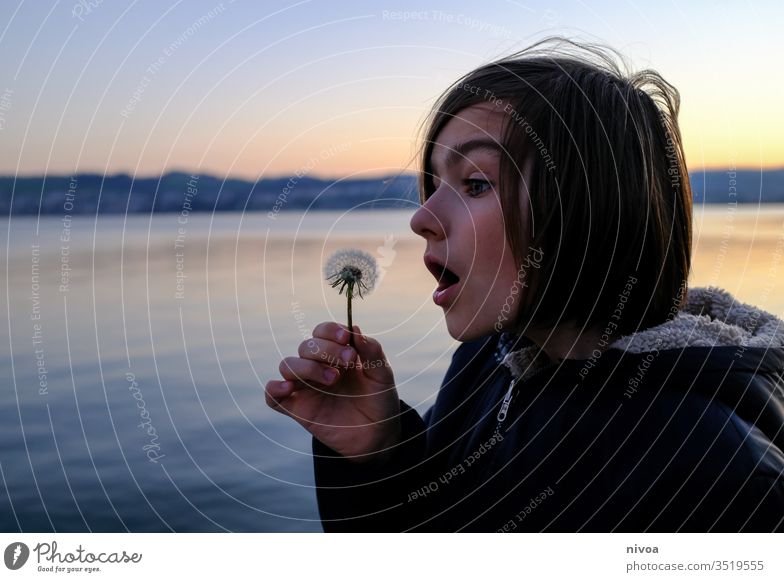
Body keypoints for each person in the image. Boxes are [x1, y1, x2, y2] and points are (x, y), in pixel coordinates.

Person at [265, 37, 784, 532]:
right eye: (434, 184)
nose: (422, 217)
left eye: (475, 184)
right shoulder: (489, 362)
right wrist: (379, 453)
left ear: (590, 208)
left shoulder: (714, 479)